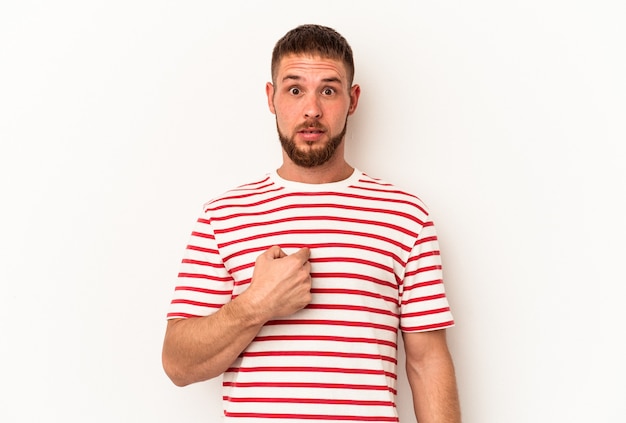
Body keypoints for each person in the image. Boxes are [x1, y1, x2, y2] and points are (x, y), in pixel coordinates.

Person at [162, 24, 461, 423]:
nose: (312, 110)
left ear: (352, 100)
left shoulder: (405, 216)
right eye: (295, 89)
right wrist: (257, 304)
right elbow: (178, 364)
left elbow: (427, 365)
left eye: (329, 89)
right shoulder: (223, 215)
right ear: (271, 98)